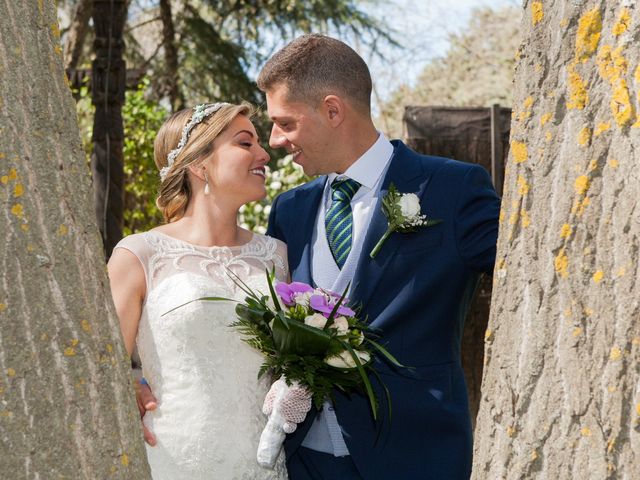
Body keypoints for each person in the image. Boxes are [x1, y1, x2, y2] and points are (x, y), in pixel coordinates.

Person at [257, 34, 501, 479]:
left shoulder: (453, 190)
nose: (274, 140)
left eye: (286, 123)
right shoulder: (289, 210)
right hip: (303, 459)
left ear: (333, 111)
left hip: (415, 453)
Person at [108, 102, 291, 479]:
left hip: (263, 463)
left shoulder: (277, 256)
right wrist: (131, 389)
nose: (263, 154)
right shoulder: (139, 255)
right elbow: (100, 367)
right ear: (198, 164)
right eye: (245, 143)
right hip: (172, 460)